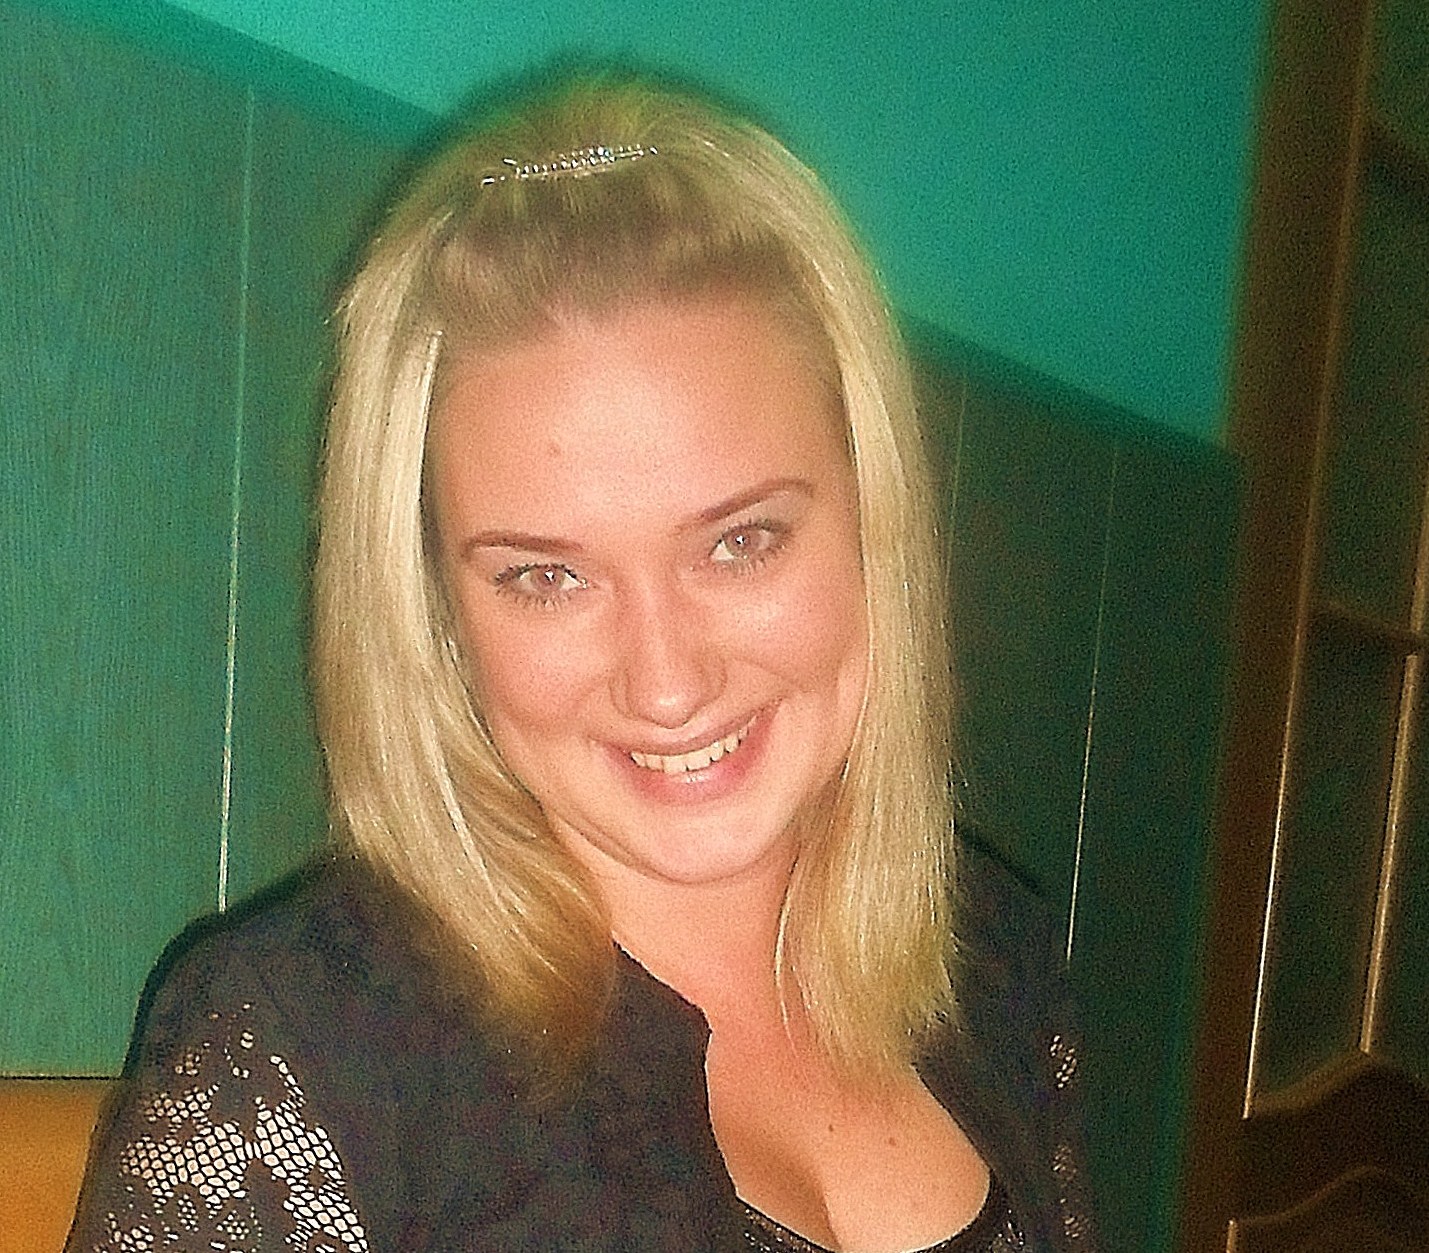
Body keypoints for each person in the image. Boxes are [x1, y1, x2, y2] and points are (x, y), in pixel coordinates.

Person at [68, 78, 1094, 1253]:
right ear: (435, 609)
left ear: (874, 526)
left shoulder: (995, 959)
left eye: (740, 541)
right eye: (547, 576)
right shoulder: (303, 1048)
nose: (666, 682)